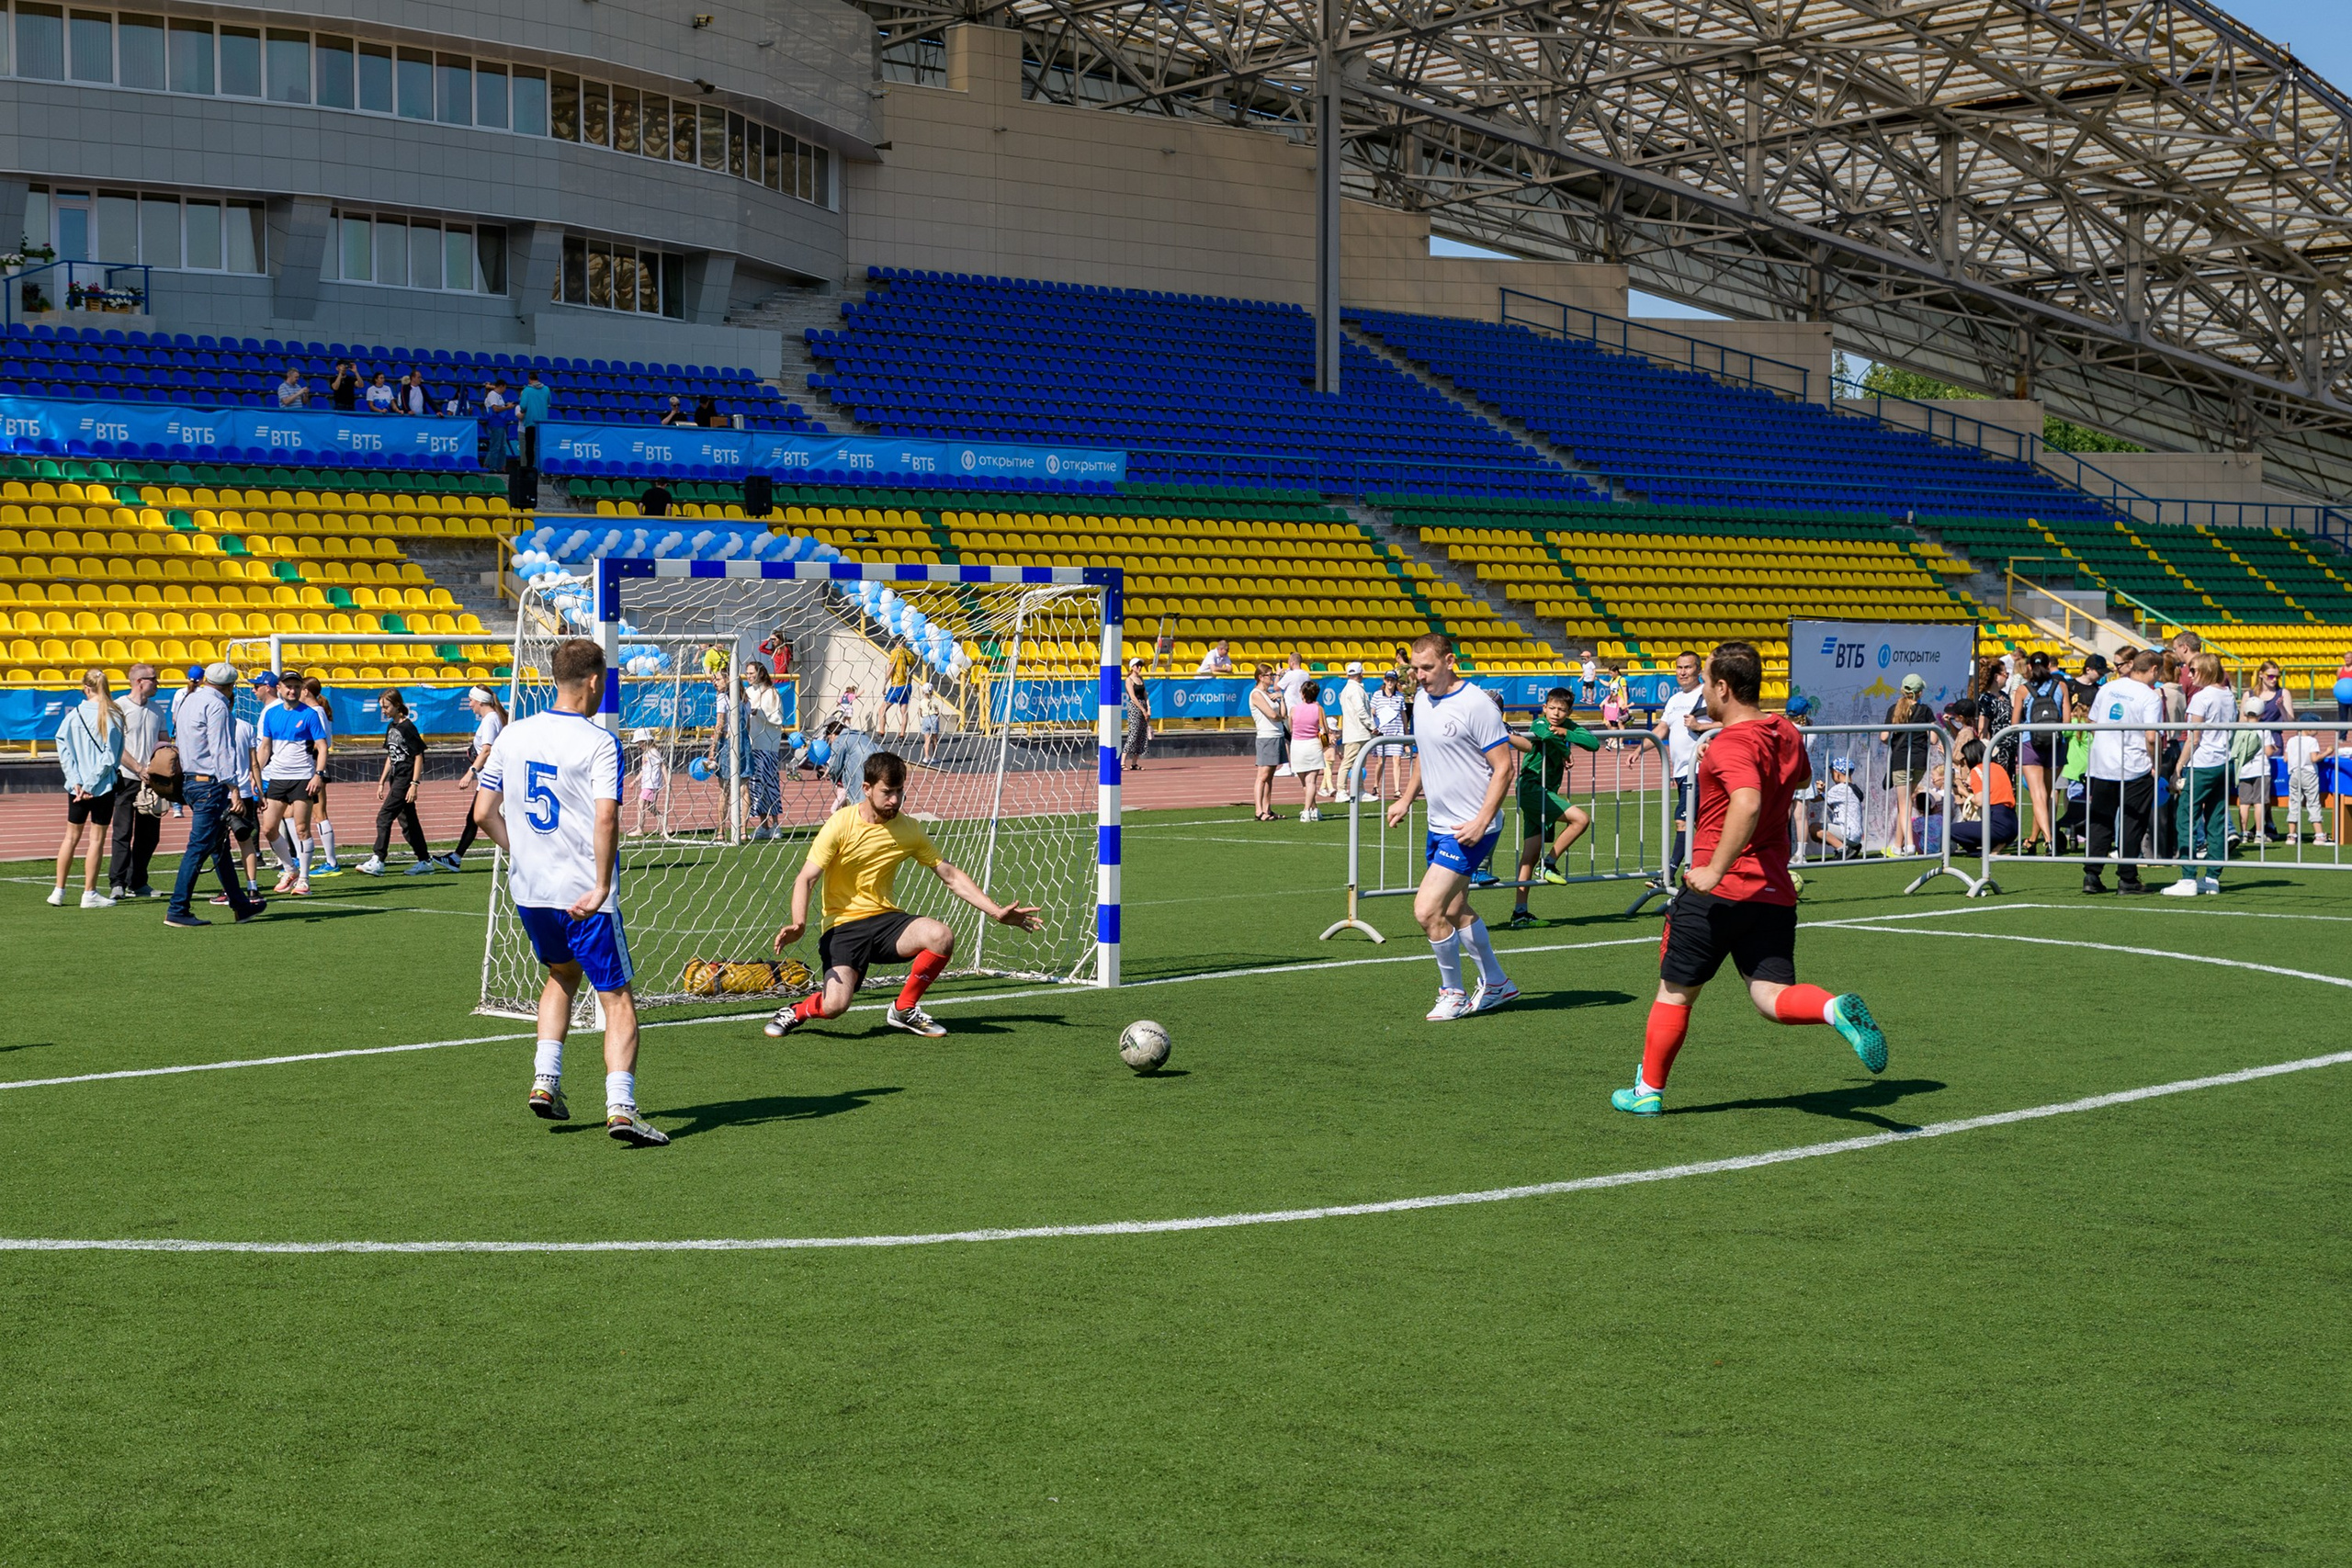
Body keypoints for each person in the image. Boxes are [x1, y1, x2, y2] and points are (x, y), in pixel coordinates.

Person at [1611, 640, 1886, 1116]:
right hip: (1772, 890)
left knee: (1675, 993)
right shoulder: (1784, 730)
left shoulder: (1730, 743)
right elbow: (1801, 779)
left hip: (1717, 892)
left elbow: (1748, 800)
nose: (1702, 694)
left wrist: (1714, 868)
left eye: (1706, 684)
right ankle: (1831, 1008)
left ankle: (1648, 1091)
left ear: (1723, 687)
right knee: (1770, 997)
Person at [471, 638, 667, 1147]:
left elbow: (482, 813)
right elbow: (607, 817)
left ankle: (546, 1080)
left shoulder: (513, 734)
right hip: (583, 895)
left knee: (561, 973)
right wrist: (601, 886)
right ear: (595, 681)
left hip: (531, 891)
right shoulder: (600, 742)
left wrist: (523, 852)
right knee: (617, 998)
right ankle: (621, 1107)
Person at [763, 750, 1045, 1041]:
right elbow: (806, 878)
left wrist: (995, 911)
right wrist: (799, 924)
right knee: (835, 1005)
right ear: (867, 788)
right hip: (842, 926)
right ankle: (796, 1011)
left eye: (899, 791)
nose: (895, 800)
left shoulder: (909, 829)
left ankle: (904, 1009)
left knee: (940, 936)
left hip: (886, 922)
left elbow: (950, 875)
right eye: (887, 792)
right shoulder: (841, 823)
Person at [1385, 633, 1519, 1021]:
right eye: (1415, 668)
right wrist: (1406, 798)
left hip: (1470, 828)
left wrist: (1481, 821)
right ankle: (1498, 983)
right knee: (1456, 909)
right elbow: (1425, 755)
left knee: (1427, 910)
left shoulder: (1476, 704)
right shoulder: (1422, 700)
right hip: (1439, 824)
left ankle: (1454, 992)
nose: (1419, 675)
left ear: (1449, 661)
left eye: (1427, 667)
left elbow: (1504, 768)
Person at [166, 662, 267, 928]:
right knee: (199, 846)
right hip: (209, 783)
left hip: (191, 779)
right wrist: (234, 788)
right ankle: (177, 908)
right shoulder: (218, 705)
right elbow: (221, 749)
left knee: (218, 846)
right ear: (230, 686)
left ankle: (240, 904)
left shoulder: (188, 699)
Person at [1507, 687, 1598, 928]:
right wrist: (1566, 750)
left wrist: (1567, 733)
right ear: (1544, 707)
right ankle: (1549, 863)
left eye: (1562, 710)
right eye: (1552, 708)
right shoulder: (1539, 722)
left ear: (1569, 712)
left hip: (1545, 791)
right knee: (1581, 819)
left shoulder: (1568, 726)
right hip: (1532, 788)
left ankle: (1520, 913)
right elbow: (1545, 735)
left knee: (1529, 855)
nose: (1556, 714)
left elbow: (1593, 743)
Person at [2085, 649, 2164, 895]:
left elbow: (2092, 723)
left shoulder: (2108, 688)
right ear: (2153, 669)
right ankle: (2127, 878)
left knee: (2100, 822)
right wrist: (2156, 764)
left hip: (2102, 764)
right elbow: (2151, 737)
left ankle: (2091, 875)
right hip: (2134, 766)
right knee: (2132, 823)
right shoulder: (2150, 697)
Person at [51, 670, 125, 908]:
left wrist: (76, 781)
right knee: (96, 840)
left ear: (86, 687)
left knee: (70, 837)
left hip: (78, 787)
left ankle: (59, 890)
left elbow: (63, 747)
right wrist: (90, 783)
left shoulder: (74, 715)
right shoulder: (113, 714)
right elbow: (110, 756)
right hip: (101, 786)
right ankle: (89, 892)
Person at [2165, 651, 2236, 897]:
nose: (2189, 674)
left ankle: (2188, 878)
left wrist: (2179, 765)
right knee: (2216, 819)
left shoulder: (2202, 697)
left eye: (2193, 670)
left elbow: (2194, 737)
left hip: (2204, 763)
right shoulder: (2228, 694)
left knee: (2186, 818)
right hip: (2223, 762)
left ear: (2205, 670)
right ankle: (2212, 878)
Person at [254, 671, 325, 896]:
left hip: (303, 777)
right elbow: (265, 747)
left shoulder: (310, 714)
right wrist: (255, 773)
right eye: (288, 686)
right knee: (269, 829)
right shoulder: (271, 714)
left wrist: (318, 775)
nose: (292, 690)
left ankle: (304, 879)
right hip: (277, 777)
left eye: (296, 686)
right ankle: (290, 869)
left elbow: (323, 747)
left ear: (301, 688)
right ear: (280, 688)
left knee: (302, 828)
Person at [356, 690, 437, 875]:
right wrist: (382, 781)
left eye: (386, 707)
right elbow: (391, 755)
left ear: (397, 705)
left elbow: (418, 756)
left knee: (384, 816)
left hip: (405, 780)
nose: (383, 711)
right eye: (382, 707)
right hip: (396, 779)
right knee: (409, 823)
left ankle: (378, 860)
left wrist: (414, 784)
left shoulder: (408, 727)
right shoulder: (391, 727)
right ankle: (425, 861)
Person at [105, 662, 164, 899]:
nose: (157, 682)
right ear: (139, 681)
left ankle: (138, 881)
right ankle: (117, 882)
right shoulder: (119, 707)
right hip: (127, 778)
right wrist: (139, 768)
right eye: (153, 678)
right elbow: (115, 745)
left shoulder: (157, 709)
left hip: (151, 780)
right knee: (123, 831)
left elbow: (163, 741)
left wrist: (159, 766)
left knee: (149, 835)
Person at [1653, 650, 1710, 879]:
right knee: (1701, 823)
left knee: (1683, 820)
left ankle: (1668, 874)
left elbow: (1727, 723)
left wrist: (1700, 726)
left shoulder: (1707, 694)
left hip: (1698, 769)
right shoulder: (1675, 699)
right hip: (1681, 771)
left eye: (1688, 667)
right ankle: (1707, 871)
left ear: (1699, 669)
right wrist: (1640, 747)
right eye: (1679, 667)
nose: (1683, 672)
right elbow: (1662, 728)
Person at [440, 687, 507, 868]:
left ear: (480, 701)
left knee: (483, 816)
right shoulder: (490, 719)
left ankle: (519, 851)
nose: (469, 705)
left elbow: (487, 750)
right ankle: (456, 857)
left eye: (471, 700)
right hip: (489, 777)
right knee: (474, 817)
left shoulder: (490, 719)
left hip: (493, 777)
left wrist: (470, 772)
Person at [2013, 651, 2068, 854]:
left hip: (2031, 743)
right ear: (2049, 665)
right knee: (2046, 794)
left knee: (2038, 795)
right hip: (2056, 743)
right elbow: (2067, 721)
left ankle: (2048, 839)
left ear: (2029, 666)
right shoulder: (2061, 686)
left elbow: (2014, 722)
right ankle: (2035, 839)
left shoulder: (2023, 690)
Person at [1880, 673, 1934, 855]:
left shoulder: (1894, 709)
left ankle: (1909, 845)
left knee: (1903, 804)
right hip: (1919, 760)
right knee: (1905, 802)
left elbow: (1884, 737)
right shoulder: (1925, 710)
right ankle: (1897, 845)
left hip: (1901, 760)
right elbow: (1934, 739)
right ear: (1920, 692)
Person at [300, 675, 342, 874]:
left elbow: (322, 743)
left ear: (306, 691)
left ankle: (331, 862)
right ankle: (303, 857)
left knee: (319, 813)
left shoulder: (316, 712)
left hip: (316, 765)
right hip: (312, 765)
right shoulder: (315, 711)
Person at [1950, 739, 2018, 857]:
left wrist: (1963, 792)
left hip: (1997, 822)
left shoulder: (1977, 770)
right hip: (2012, 822)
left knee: (1950, 830)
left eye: (1964, 758)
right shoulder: (1998, 767)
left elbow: (1979, 801)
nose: (1964, 761)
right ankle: (1996, 847)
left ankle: (1980, 853)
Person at [741, 660, 785, 840]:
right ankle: (763, 825)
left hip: (767, 746)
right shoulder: (747, 692)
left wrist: (758, 713)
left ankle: (776, 825)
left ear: (760, 673)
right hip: (751, 744)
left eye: (752, 673)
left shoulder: (772, 693)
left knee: (770, 784)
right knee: (755, 786)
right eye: (747, 673)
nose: (749, 676)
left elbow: (778, 719)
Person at [2281, 726, 2331, 848]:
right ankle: (2319, 835)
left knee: (2294, 803)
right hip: (2308, 773)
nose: (2317, 731)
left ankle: (2291, 835)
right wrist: (2327, 752)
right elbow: (2314, 758)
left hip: (2294, 773)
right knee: (2313, 802)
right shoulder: (2312, 741)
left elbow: (2286, 759)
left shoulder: (2291, 740)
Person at [1250, 663, 1284, 822]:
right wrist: (1281, 717)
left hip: (1277, 735)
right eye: (1269, 675)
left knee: (1270, 776)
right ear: (1260, 677)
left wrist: (1281, 699)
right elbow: (1273, 715)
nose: (1272, 678)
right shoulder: (1256, 694)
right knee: (1262, 776)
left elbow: (1282, 713)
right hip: (1266, 736)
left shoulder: (1270, 694)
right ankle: (1259, 811)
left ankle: (1267, 808)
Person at [1366, 671, 1408, 801]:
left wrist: (1406, 730)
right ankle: (1375, 785)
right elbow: (1372, 711)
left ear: (1396, 682)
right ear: (1384, 681)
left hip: (1397, 731)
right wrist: (1373, 725)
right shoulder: (1377, 695)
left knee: (1397, 759)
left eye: (1392, 680)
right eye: (1388, 680)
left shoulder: (1400, 696)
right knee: (1380, 761)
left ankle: (1397, 789)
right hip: (1382, 732)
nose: (1390, 682)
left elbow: (1403, 714)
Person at [1816, 756, 1865, 858]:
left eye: (1831, 773)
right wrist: (1823, 793)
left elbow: (1814, 799)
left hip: (1848, 833)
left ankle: (1843, 849)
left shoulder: (1840, 788)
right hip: (1855, 835)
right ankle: (1851, 848)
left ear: (1837, 773)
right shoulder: (1852, 788)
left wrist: (1817, 791)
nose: (1831, 776)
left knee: (1814, 829)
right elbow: (1835, 807)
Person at [629, 729, 668, 837]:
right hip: (647, 783)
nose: (638, 745)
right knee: (651, 807)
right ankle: (666, 827)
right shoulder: (646, 753)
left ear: (645, 741)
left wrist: (667, 781)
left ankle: (639, 829)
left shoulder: (653, 752)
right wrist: (634, 781)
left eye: (639, 742)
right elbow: (644, 770)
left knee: (640, 804)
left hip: (652, 784)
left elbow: (662, 766)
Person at [880, 639, 918, 738]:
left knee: (882, 709)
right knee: (904, 710)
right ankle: (902, 734)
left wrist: (884, 685)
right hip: (908, 685)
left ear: (896, 642)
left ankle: (881, 732)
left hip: (897, 685)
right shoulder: (910, 654)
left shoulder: (895, 652)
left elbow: (890, 670)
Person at [1122, 656, 1152, 773]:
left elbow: (1145, 694)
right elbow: (1133, 697)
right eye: (1137, 665)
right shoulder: (1129, 680)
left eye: (1140, 666)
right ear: (1132, 667)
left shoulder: (1141, 678)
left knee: (1141, 735)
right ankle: (1122, 762)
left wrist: (1148, 708)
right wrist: (1143, 710)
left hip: (1143, 705)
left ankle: (1134, 763)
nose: (1139, 668)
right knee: (1133, 734)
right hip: (1134, 707)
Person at [517, 368, 552, 468]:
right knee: (541, 446)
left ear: (529, 379)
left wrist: (523, 411)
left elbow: (523, 405)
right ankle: (540, 465)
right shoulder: (546, 389)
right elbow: (549, 401)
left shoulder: (527, 390)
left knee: (529, 446)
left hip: (531, 422)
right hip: (542, 423)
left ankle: (530, 466)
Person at [1275, 649, 1310, 714]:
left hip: (1292, 711)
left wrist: (1277, 674)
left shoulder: (1290, 674)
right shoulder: (1306, 674)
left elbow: (1276, 688)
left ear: (1292, 663)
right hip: (1304, 710)